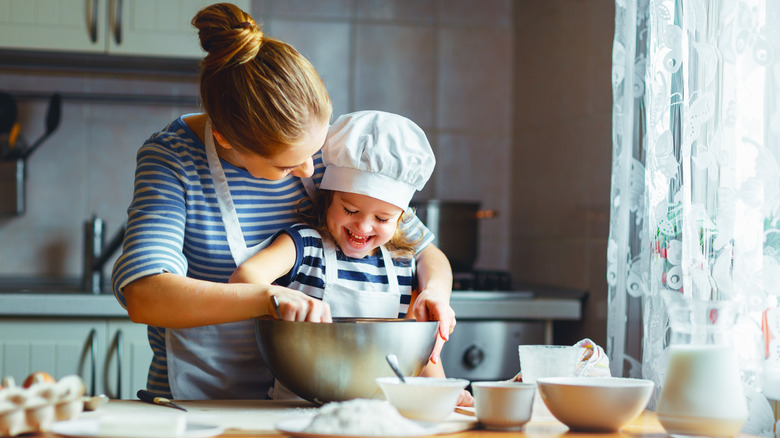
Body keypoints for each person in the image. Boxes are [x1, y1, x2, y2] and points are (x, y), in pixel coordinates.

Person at [110, 3, 455, 400]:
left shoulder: (333, 154)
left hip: (307, 402)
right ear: (226, 139)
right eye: (287, 165)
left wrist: (435, 294)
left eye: (316, 150)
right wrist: (266, 297)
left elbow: (423, 250)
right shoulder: (173, 160)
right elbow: (145, 295)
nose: (310, 170)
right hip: (202, 402)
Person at [230, 111, 473, 406]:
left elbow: (419, 352)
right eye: (350, 210)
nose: (363, 226)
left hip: (380, 413)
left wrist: (441, 392)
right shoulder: (306, 245)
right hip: (297, 405)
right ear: (328, 197)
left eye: (383, 218)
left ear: (402, 220)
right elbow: (244, 278)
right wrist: (278, 299)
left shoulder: (401, 262)